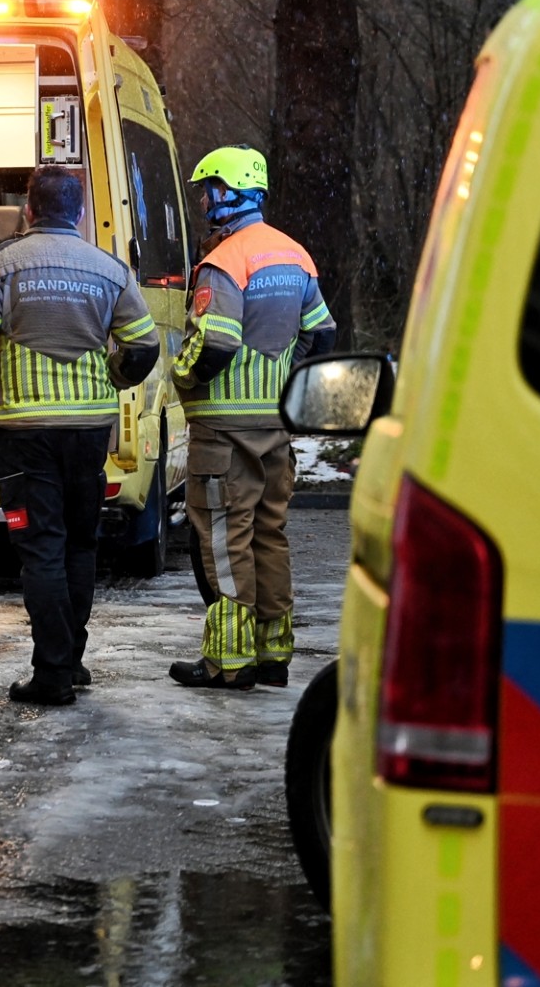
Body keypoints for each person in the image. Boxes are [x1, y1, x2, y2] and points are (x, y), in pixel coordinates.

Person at [0, 166, 161, 705]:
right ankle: (71, 660)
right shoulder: (110, 269)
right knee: (80, 544)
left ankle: (52, 675)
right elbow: (142, 347)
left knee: (40, 548)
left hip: (25, 433)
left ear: (29, 210)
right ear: (80, 212)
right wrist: (111, 378)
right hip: (88, 432)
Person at [168, 145, 335, 690]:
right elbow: (322, 333)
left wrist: (183, 376)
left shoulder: (225, 261)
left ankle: (229, 661)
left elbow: (215, 341)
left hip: (223, 431)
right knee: (269, 533)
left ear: (227, 191)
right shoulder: (295, 256)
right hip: (274, 428)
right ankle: (273, 652)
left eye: (207, 189)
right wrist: (286, 381)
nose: (203, 200)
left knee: (223, 538)